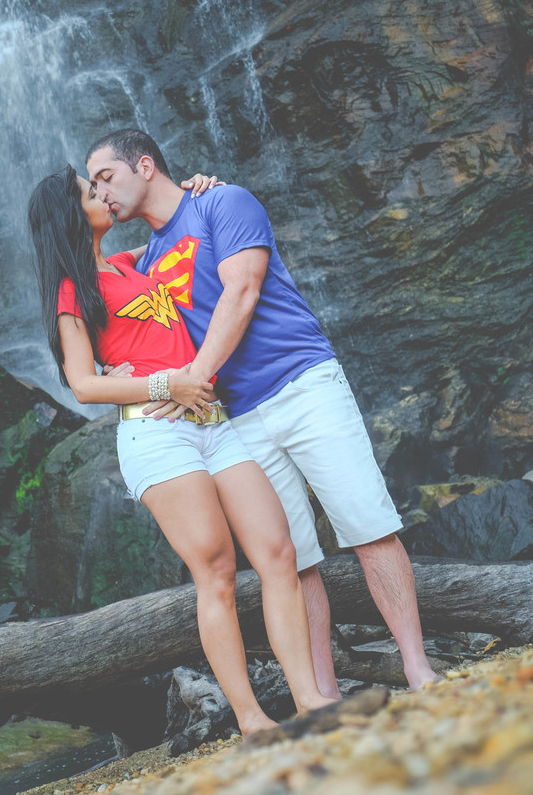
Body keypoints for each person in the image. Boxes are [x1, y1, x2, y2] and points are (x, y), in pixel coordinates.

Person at [85, 128, 440, 695]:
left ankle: (419, 670)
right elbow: (108, 303)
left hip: (301, 382)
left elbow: (242, 290)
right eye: (93, 187)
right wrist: (116, 373)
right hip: (236, 418)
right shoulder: (144, 262)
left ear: (145, 165)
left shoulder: (224, 202)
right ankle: (322, 697)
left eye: (106, 178)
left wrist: (190, 380)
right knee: (293, 562)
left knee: (368, 526)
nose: (101, 194)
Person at [27, 165, 337, 736]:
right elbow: (83, 384)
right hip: (157, 429)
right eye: (89, 191)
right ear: (71, 214)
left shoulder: (128, 264)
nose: (101, 194)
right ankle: (251, 719)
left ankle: (312, 700)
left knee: (278, 553)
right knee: (216, 571)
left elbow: (184, 233)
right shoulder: (73, 289)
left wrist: (197, 192)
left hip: (214, 422)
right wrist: (165, 383)